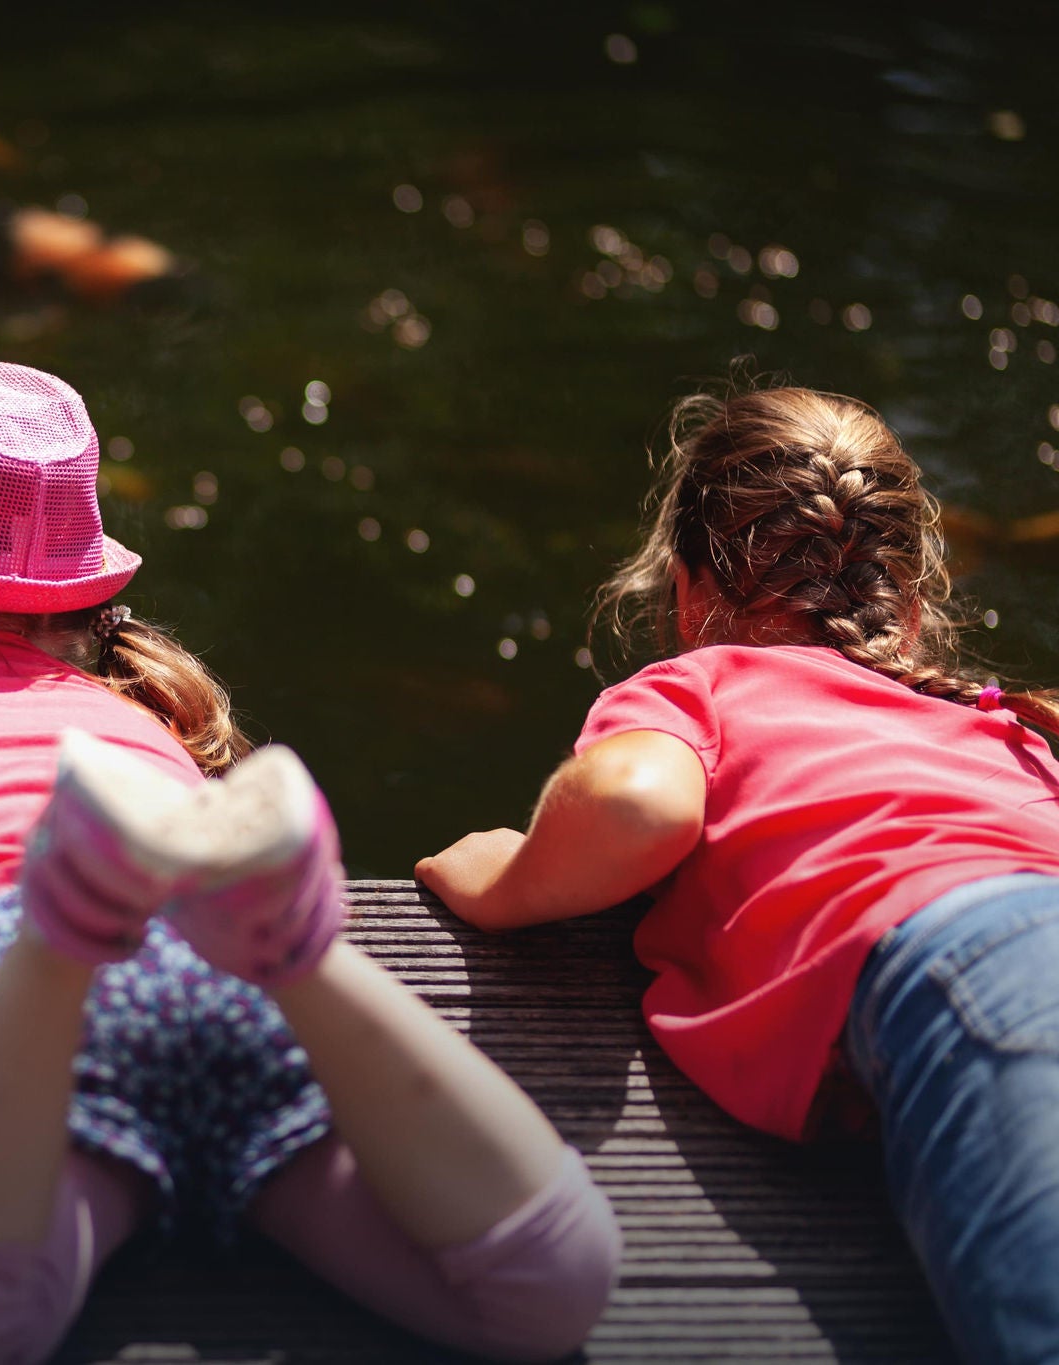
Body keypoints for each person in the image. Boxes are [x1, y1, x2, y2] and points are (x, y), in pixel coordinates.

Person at [0, 355, 621, 1365]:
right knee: (543, 1294)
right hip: (213, 950)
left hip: (6, 979)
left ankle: (62, 930)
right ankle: (301, 948)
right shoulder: (134, 721)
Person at [417, 384, 1059, 1365]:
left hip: (973, 962)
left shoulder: (698, 686)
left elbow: (635, 806)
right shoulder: (1001, 725)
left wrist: (500, 880)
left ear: (684, 591)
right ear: (913, 606)